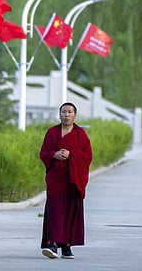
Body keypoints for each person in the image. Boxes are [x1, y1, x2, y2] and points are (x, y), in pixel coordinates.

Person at [39, 102, 92, 259]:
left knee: (69, 211)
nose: (66, 115)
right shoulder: (52, 133)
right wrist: (53, 155)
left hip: (72, 180)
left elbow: (87, 156)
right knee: (54, 210)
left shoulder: (80, 134)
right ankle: (52, 244)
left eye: (69, 112)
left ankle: (66, 246)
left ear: (75, 115)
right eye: (63, 112)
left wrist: (71, 156)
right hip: (56, 179)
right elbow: (43, 153)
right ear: (59, 114)